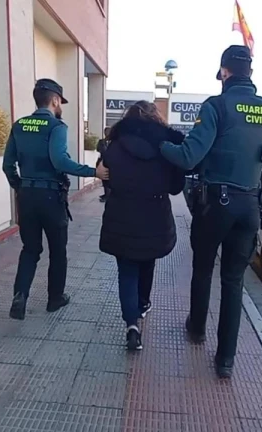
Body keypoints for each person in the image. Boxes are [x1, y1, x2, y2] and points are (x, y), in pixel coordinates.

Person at [159, 46, 262, 378]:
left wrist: (160, 145)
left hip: (216, 204)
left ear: (224, 72)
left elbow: (188, 157)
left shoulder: (216, 106)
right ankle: (225, 360)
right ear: (249, 72)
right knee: (233, 281)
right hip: (249, 206)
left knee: (202, 269)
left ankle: (197, 329)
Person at [3, 78, 109, 320]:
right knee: (57, 250)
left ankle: (20, 296)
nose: (60, 106)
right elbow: (60, 161)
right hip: (51, 197)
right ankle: (55, 298)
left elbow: (8, 164)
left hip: (27, 196)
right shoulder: (56, 127)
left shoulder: (19, 125)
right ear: (54, 100)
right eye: (60, 101)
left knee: (30, 249)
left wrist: (20, 187)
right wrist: (93, 172)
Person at [99, 101, 186, 351]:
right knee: (147, 261)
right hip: (154, 217)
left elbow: (107, 178)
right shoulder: (166, 147)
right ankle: (143, 303)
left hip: (121, 215)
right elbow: (175, 187)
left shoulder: (115, 145)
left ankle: (131, 325)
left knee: (127, 270)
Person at [97, 127, 112, 202]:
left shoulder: (113, 142)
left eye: (108, 132)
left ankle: (108, 195)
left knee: (108, 179)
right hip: (103, 162)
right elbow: (98, 149)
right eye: (105, 132)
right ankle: (106, 194)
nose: (107, 133)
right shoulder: (101, 141)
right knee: (104, 179)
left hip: (111, 163)